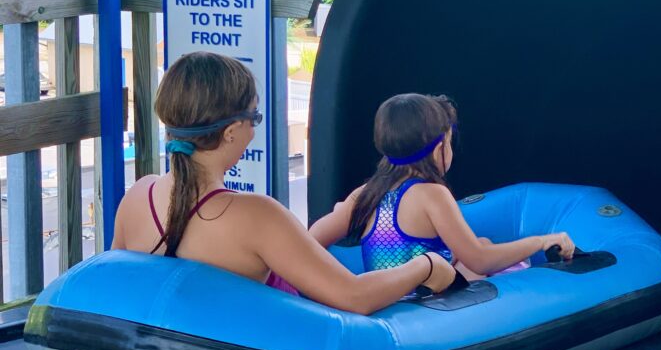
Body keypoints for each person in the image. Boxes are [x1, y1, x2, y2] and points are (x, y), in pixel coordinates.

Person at [111, 53, 455, 314]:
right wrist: (424, 266)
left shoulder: (138, 196)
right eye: (254, 117)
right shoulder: (257, 217)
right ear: (231, 132)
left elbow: (117, 285)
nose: (253, 130)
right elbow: (354, 297)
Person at [309, 92, 575, 279]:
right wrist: (540, 241)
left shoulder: (364, 194)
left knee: (477, 242)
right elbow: (479, 259)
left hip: (385, 299)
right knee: (492, 258)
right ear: (439, 149)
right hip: (425, 310)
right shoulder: (432, 195)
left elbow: (310, 241)